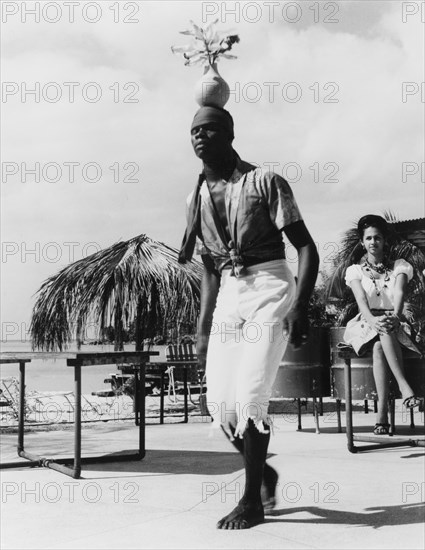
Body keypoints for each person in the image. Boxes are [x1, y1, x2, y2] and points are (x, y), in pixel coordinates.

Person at [179, 105, 319, 529]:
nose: (201, 137)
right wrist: (202, 329)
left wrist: (300, 305)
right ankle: (264, 472)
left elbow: (306, 247)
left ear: (229, 134)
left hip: (271, 284)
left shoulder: (264, 181)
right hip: (229, 292)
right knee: (219, 403)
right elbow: (206, 266)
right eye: (194, 132)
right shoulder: (195, 197)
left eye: (210, 129)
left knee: (251, 394)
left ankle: (251, 501)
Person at [343, 214, 421, 436]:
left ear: (384, 240)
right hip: (365, 322)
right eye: (368, 238)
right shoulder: (355, 271)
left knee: (380, 344)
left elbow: (398, 293)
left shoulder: (400, 266)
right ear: (362, 242)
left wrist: (395, 316)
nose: (373, 242)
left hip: (394, 321)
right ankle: (404, 387)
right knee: (382, 329)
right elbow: (361, 302)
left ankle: (382, 418)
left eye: (377, 237)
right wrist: (373, 320)